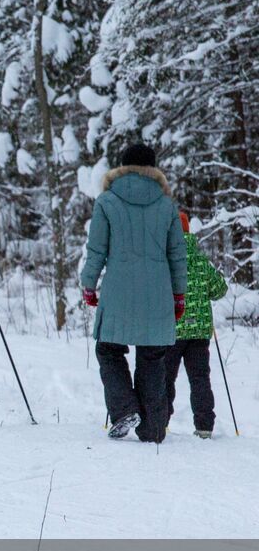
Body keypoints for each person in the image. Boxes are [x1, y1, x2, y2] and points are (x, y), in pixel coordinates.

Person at [80, 142, 187, 443]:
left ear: (122, 167)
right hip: (158, 292)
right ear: (153, 169)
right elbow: (177, 255)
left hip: (118, 290)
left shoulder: (107, 201)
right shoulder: (167, 205)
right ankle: (153, 427)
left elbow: (97, 249)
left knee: (109, 349)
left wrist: (89, 284)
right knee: (153, 356)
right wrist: (179, 294)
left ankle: (125, 408)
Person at [164, 212, 227, 438]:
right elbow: (220, 290)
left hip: (173, 330)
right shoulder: (201, 262)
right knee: (200, 379)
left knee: (165, 378)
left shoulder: (166, 261)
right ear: (188, 232)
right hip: (200, 333)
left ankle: (160, 422)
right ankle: (204, 426)